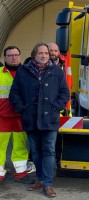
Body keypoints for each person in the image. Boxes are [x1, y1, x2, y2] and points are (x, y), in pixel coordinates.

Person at [9, 42, 70, 197]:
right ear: (34, 54)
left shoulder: (57, 71)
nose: (44, 56)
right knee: (36, 151)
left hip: (50, 119)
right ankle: (41, 179)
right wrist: (22, 108)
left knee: (49, 150)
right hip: (31, 118)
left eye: (46, 53)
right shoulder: (24, 71)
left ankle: (47, 184)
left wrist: (56, 107)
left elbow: (65, 93)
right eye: (41, 53)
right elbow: (14, 93)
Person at [0, 46, 34, 184]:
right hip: (2, 117)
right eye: (10, 55)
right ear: (4, 58)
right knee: (0, 146)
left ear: (20, 56)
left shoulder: (27, 73)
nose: (13, 57)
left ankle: (21, 174)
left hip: (21, 116)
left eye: (16, 54)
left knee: (21, 146)